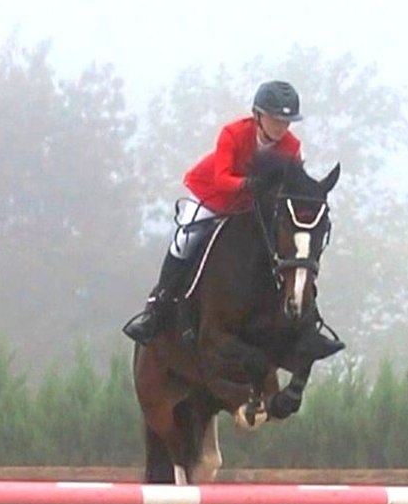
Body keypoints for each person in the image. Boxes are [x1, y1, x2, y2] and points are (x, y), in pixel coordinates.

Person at [122, 80, 305, 345]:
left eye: (286, 122)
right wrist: (248, 184)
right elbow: (221, 179)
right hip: (212, 197)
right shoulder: (233, 133)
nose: (281, 127)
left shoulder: (292, 146)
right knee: (184, 241)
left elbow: (293, 185)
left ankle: (298, 317)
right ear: (257, 115)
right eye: (275, 119)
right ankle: (158, 307)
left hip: (249, 207)